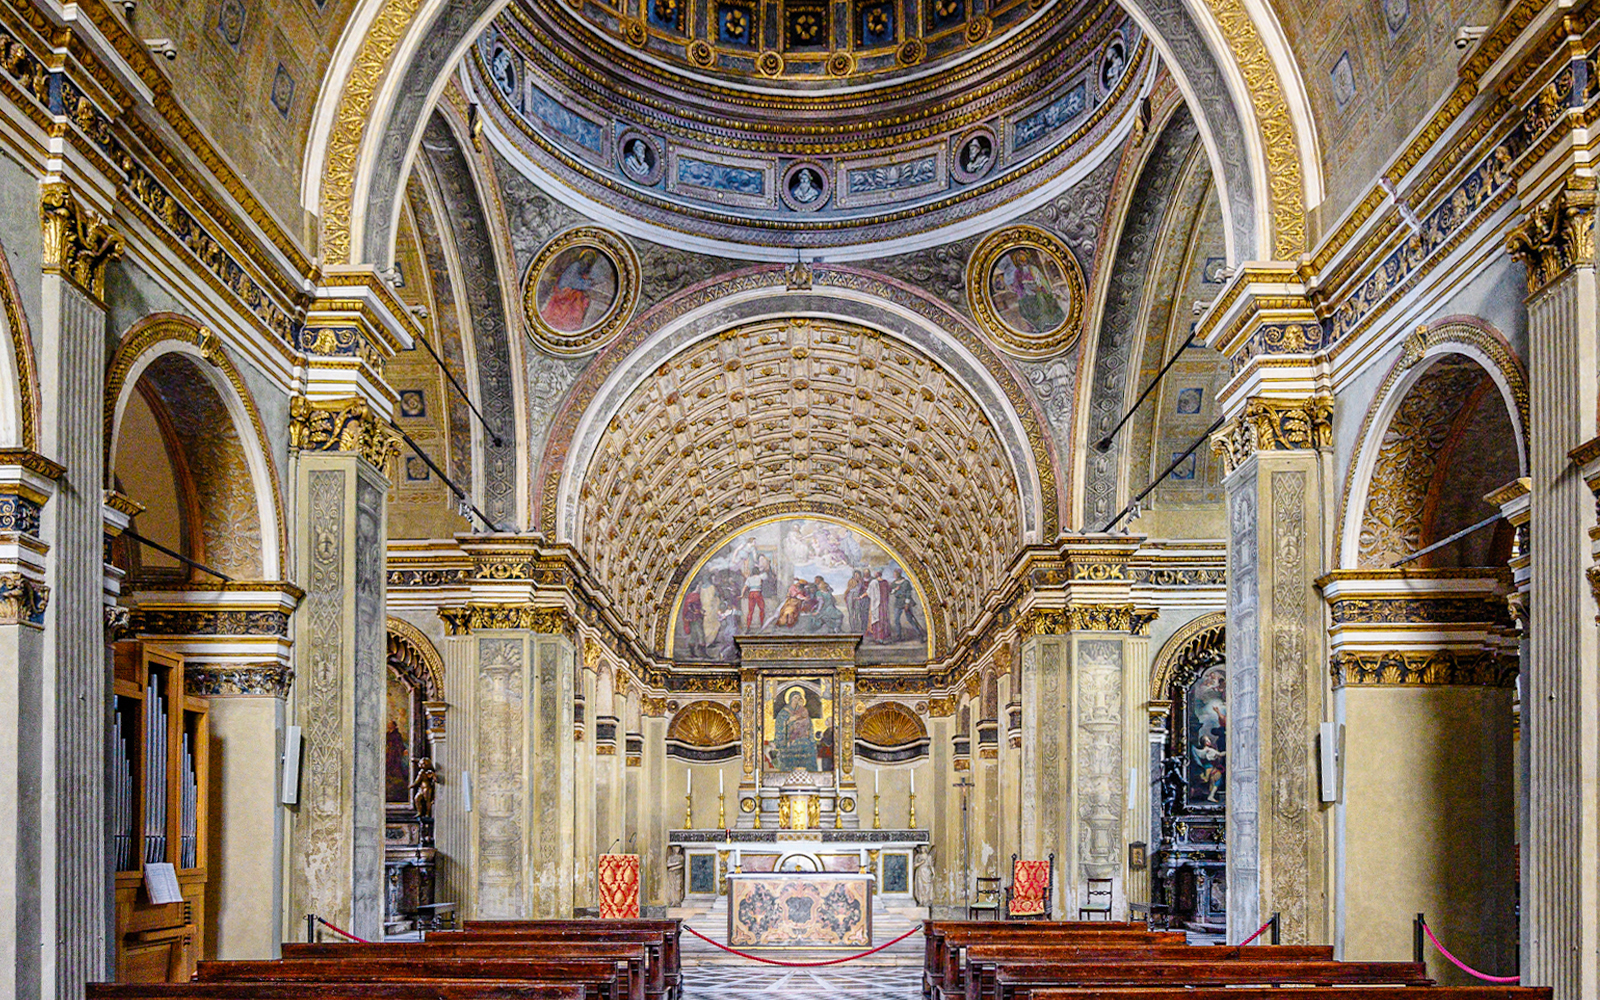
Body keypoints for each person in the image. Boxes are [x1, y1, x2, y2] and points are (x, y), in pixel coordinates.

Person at [541, 249, 601, 332]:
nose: (587, 262)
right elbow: (572, 281)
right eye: (587, 259)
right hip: (564, 291)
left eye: (590, 261)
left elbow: (578, 281)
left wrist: (588, 282)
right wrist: (588, 283)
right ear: (583, 258)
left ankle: (571, 322)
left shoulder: (581, 269)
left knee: (579, 298)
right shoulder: (576, 266)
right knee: (577, 299)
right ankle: (568, 322)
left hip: (570, 290)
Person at [773, 689, 818, 770]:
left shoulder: (802, 711)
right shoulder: (784, 712)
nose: (796, 700)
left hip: (802, 740)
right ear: (790, 699)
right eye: (795, 698)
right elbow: (780, 724)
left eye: (798, 698)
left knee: (810, 751)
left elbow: (808, 724)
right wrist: (788, 721)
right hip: (789, 741)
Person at [889, 568, 923, 641]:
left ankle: (920, 634)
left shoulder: (906, 582)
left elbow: (908, 593)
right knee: (896, 620)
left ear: (899, 574)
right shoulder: (894, 583)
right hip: (898, 602)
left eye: (895, 574)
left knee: (910, 619)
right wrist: (895, 590)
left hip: (905, 602)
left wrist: (907, 604)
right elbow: (891, 592)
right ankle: (899, 637)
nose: (894, 575)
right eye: (894, 574)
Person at [682, 589, 705, 657]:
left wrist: (700, 611)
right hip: (693, 618)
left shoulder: (695, 596)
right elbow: (689, 606)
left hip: (695, 617)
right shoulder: (693, 596)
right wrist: (695, 611)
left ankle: (698, 652)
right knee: (698, 634)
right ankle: (696, 652)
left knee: (697, 634)